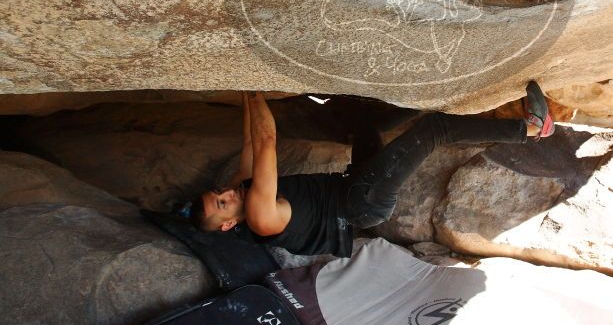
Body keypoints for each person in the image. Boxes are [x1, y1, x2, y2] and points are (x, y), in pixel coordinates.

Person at [191, 84, 554, 257]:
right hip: (363, 201)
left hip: (353, 183)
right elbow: (267, 140)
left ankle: (433, 97)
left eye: (218, 192)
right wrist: (255, 87)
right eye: (222, 203)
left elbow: (250, 143)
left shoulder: (238, 192)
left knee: (364, 123)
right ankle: (533, 129)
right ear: (228, 224)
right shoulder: (259, 217)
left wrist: (242, 93)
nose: (226, 193)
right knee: (436, 131)